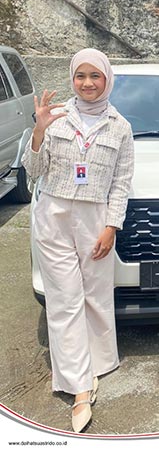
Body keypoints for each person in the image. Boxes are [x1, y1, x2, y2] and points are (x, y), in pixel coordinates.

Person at [22, 48, 134, 431]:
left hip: (95, 219)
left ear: (107, 80)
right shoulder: (54, 118)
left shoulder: (120, 127)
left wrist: (111, 226)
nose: (87, 83)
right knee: (65, 300)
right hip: (54, 215)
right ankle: (79, 385)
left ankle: (99, 362)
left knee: (96, 296)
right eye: (80, 75)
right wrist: (38, 131)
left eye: (95, 76)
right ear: (72, 78)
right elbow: (34, 171)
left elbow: (121, 182)